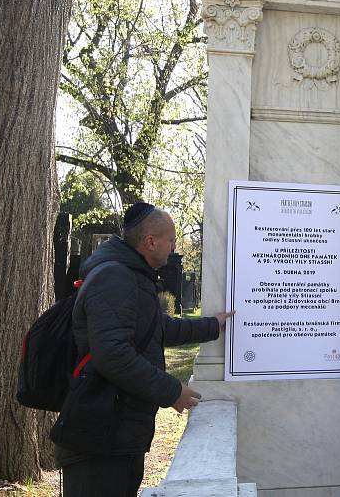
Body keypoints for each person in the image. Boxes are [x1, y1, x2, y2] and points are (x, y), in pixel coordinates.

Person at [55, 202, 233, 497]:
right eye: (172, 240)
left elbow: (155, 327)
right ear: (150, 242)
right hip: (100, 435)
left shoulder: (131, 275)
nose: (175, 247)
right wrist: (171, 391)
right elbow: (112, 354)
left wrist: (212, 326)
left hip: (117, 429)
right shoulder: (115, 277)